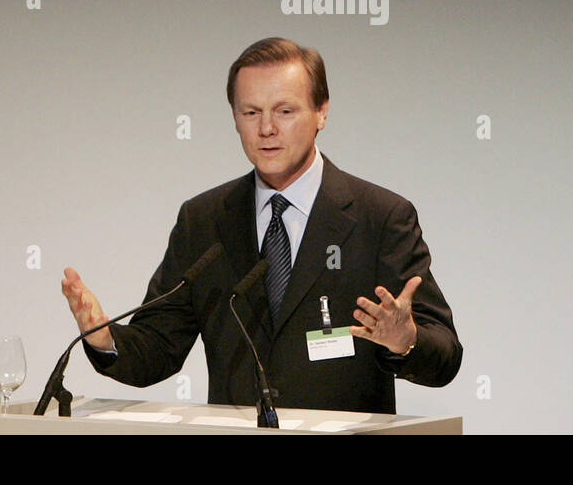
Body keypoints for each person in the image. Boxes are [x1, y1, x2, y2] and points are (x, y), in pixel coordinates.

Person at [61, 37, 462, 414]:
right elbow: (159, 349)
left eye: (284, 111)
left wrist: (405, 340)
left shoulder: (380, 217)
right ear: (235, 118)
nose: (266, 128)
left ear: (322, 111)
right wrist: (105, 339)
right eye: (250, 112)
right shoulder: (204, 220)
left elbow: (444, 356)